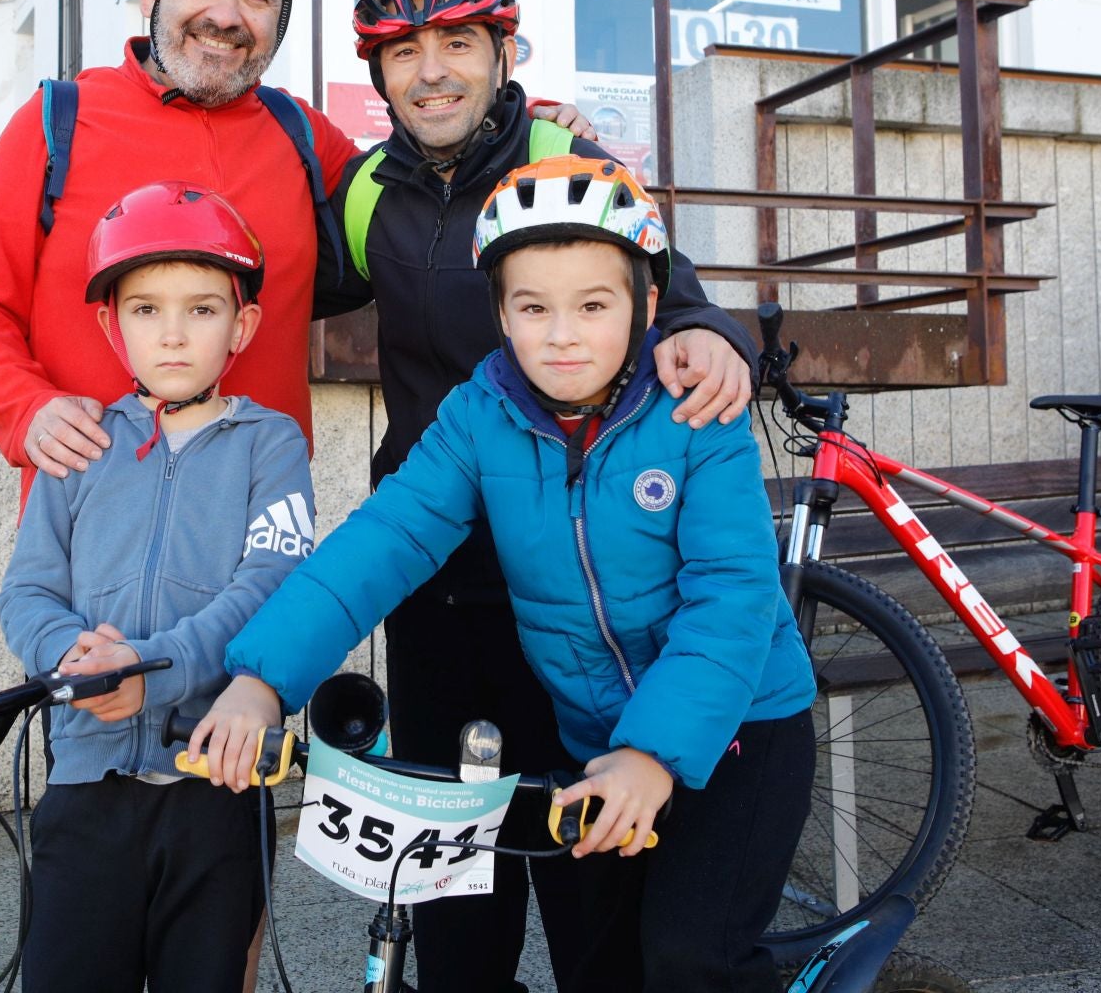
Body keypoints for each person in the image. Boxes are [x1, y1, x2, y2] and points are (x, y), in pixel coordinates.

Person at [192, 155, 816, 991]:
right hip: (595, 740)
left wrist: (653, 755)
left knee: (691, 956)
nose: (562, 334)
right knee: (601, 967)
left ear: (648, 305)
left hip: (747, 727)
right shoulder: (479, 416)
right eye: (533, 307)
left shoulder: (697, 414)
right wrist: (262, 679)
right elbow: (382, 542)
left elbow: (732, 601)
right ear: (500, 314)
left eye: (594, 305)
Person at [0, 0, 748, 498]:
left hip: (260, 510)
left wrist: (521, 120)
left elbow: (431, 164)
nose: (225, 14)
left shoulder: (298, 134)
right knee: (98, 714)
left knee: (251, 715)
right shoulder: (58, 121)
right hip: (95, 495)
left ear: (280, 20)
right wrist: (25, 409)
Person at [308, 0, 756, 992]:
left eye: (458, 42)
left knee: (585, 865)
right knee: (451, 866)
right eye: (404, 50)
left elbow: (666, 288)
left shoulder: (565, 149)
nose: (432, 70)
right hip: (433, 568)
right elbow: (262, 287)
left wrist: (713, 329)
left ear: (503, 53)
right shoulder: (369, 190)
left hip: (565, 571)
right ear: (377, 75)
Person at [0, 182, 314, 993]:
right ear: (112, 324)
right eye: (145, 310)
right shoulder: (83, 439)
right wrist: (74, 654)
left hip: (216, 784)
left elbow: (268, 587)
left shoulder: (269, 444)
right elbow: (27, 591)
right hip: (85, 784)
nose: (172, 334)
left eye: (202, 310)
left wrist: (149, 668)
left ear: (242, 324)